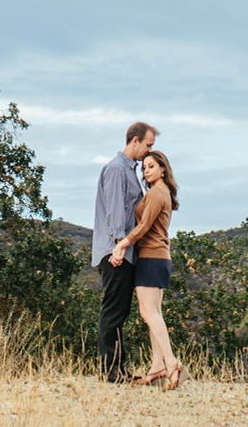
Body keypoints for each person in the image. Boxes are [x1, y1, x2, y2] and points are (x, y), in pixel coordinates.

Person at [110, 148, 182, 389]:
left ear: (163, 169)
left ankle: (172, 364)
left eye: (151, 166)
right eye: (144, 167)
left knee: (147, 312)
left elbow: (143, 227)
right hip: (159, 257)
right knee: (155, 314)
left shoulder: (157, 194)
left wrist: (122, 243)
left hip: (151, 257)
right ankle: (156, 367)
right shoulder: (162, 192)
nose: (146, 170)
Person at [92, 121, 156, 382]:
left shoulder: (128, 171)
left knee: (120, 312)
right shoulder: (117, 169)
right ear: (135, 141)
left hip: (124, 251)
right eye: (148, 145)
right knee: (113, 311)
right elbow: (116, 216)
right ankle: (110, 371)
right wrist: (120, 246)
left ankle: (118, 368)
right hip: (116, 252)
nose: (149, 151)